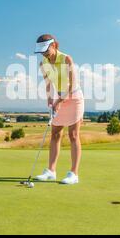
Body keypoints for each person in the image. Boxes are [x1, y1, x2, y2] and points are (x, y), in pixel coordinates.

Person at [34, 34, 84, 185]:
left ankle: (74, 174)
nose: (44, 54)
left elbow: (72, 83)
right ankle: (51, 171)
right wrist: (50, 99)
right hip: (58, 100)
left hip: (74, 98)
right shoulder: (43, 64)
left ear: (54, 45)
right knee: (55, 134)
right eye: (41, 51)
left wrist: (60, 100)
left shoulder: (66, 59)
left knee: (73, 134)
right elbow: (48, 84)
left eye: (46, 50)